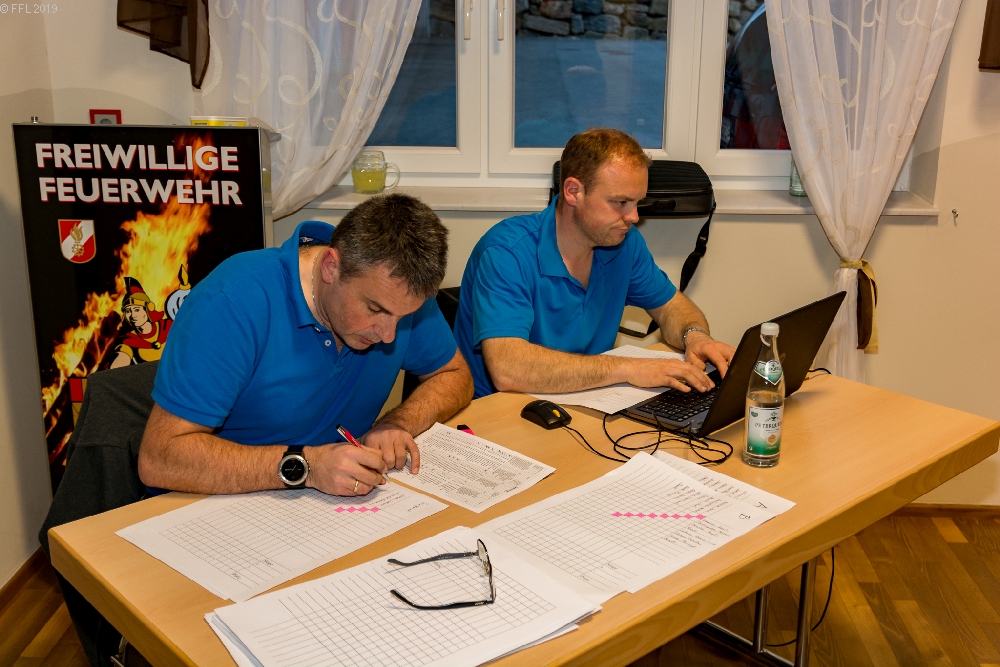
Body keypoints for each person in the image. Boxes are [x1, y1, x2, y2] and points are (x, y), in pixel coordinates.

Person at [139, 193, 473, 496]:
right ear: (331, 267)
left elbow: (454, 375)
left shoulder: (397, 295)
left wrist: (397, 424)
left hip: (326, 502)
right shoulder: (233, 302)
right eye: (374, 310)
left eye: (403, 317)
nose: (388, 335)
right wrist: (307, 466)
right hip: (213, 501)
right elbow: (159, 458)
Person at [454, 128, 735, 399]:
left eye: (637, 202)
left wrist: (695, 336)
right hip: (498, 413)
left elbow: (671, 306)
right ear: (573, 191)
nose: (634, 217)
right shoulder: (506, 252)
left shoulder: (624, 242)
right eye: (620, 202)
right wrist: (628, 369)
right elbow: (508, 369)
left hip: (584, 399)